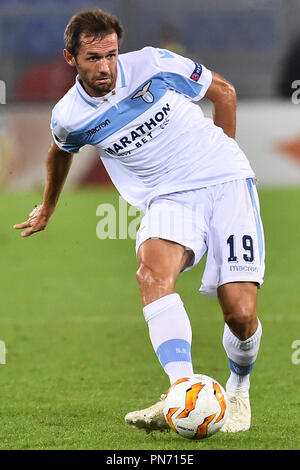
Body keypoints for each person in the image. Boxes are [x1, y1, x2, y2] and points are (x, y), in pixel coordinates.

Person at [14, 9, 265, 433]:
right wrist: (48, 206)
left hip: (224, 180)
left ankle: (238, 392)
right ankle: (182, 391)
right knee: (151, 275)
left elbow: (224, 92)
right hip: (167, 196)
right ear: (70, 57)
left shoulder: (153, 63)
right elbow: (60, 152)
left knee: (239, 313)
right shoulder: (70, 115)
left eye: (111, 54)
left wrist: (222, 159)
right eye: (93, 58)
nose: (105, 66)